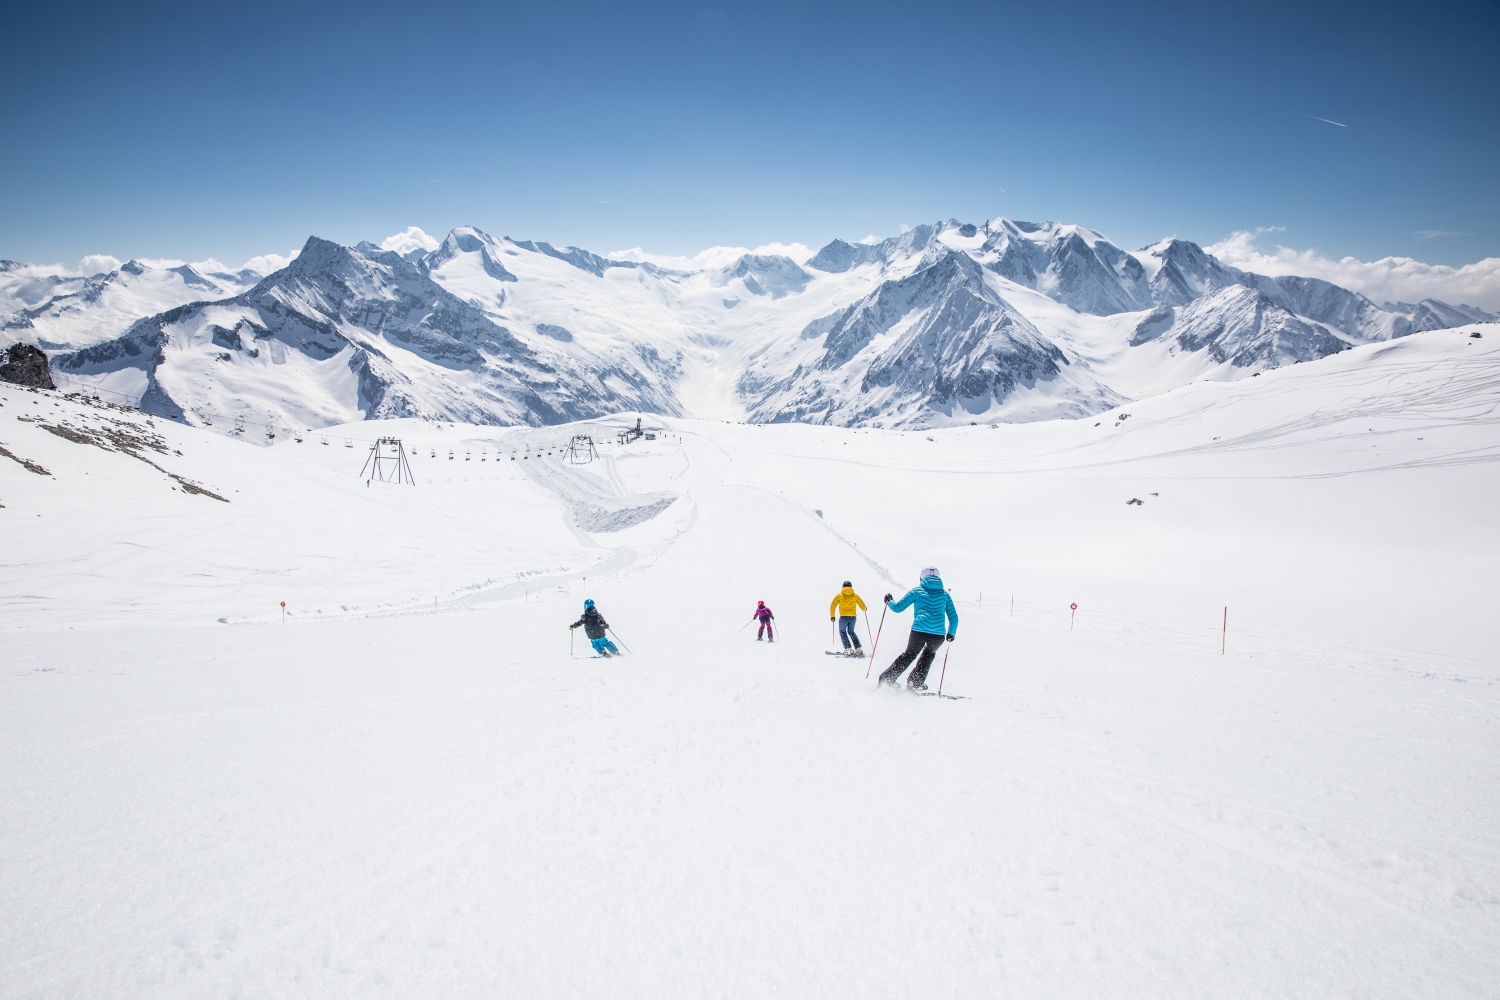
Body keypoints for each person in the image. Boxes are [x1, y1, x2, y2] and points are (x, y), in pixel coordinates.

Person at [878, 567, 958, 690]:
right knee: (929, 654)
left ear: (922, 578)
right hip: (937, 636)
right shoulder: (945, 595)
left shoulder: (917, 591)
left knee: (909, 654)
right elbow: (954, 618)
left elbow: (898, 608)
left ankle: (887, 679)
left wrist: (889, 601)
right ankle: (914, 683)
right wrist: (950, 634)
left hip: (918, 632)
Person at [828, 580, 868, 655]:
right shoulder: (855, 595)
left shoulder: (839, 595)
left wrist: (832, 616)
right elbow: (861, 604)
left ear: (843, 587)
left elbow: (833, 606)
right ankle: (858, 649)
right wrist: (864, 608)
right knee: (851, 632)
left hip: (843, 618)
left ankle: (848, 649)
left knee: (842, 632)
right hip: (853, 617)